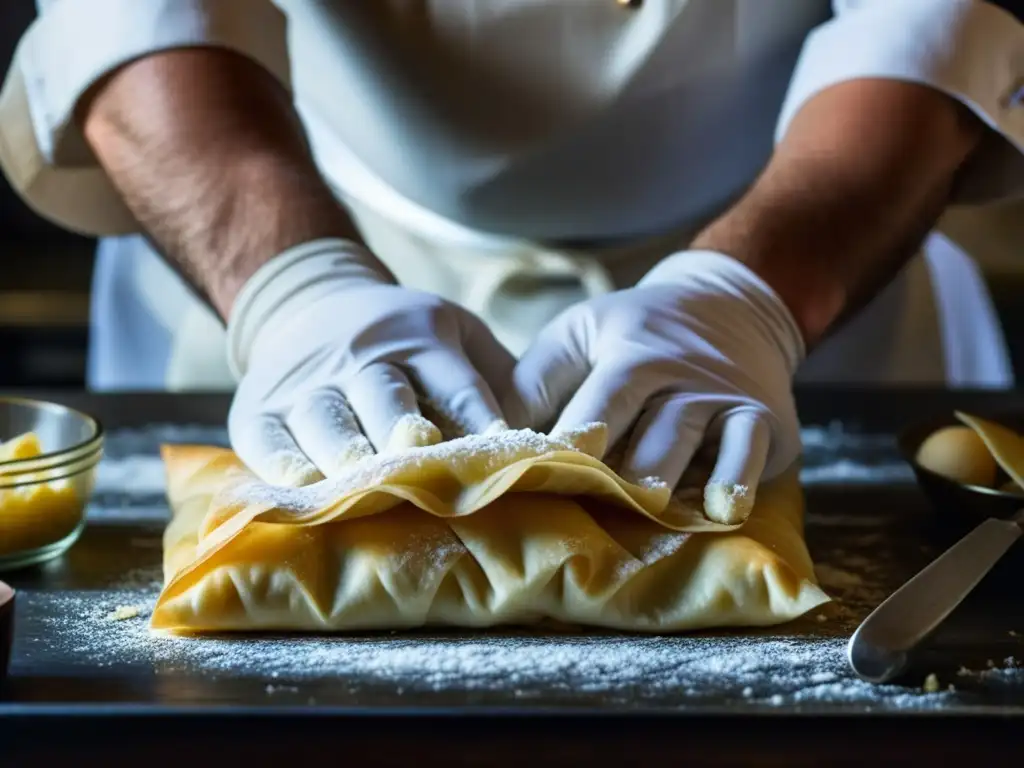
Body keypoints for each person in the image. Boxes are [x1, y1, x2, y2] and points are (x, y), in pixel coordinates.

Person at [1, 1, 1022, 519]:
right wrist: (292, 291)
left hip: (802, 267)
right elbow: (130, 16)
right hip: (287, 246)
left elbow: (935, 22)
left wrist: (745, 301)